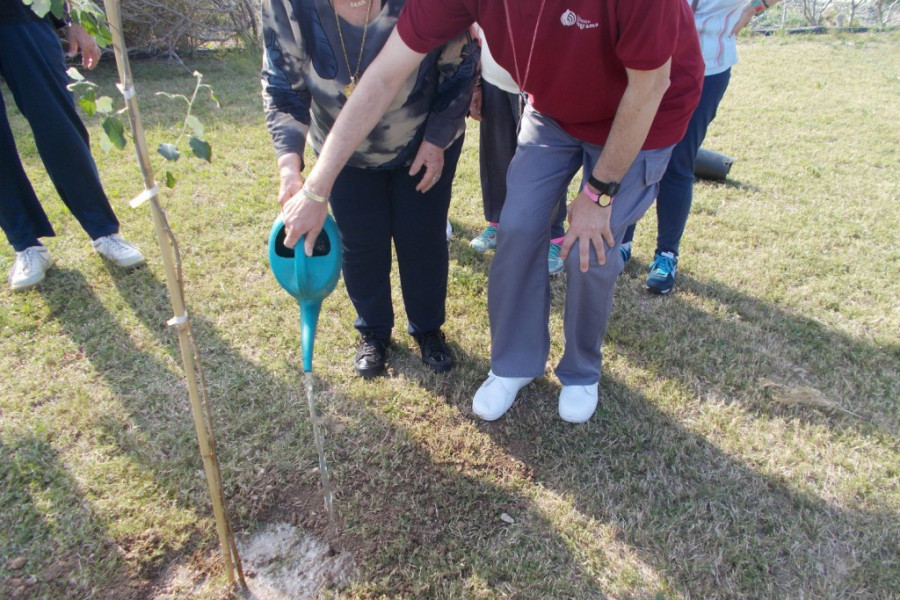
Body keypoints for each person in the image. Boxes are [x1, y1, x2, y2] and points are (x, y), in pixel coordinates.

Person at [282, 0, 703, 422]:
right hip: (556, 111)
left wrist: (598, 195)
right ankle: (515, 364)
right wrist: (316, 190)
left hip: (645, 110)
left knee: (590, 248)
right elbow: (384, 75)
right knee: (516, 226)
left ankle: (581, 371)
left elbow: (649, 86)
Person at [261, 0, 478, 378]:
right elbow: (283, 84)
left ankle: (428, 329)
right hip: (340, 151)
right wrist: (289, 168)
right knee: (360, 242)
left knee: (422, 237)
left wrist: (437, 139)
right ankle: (373, 331)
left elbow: (459, 68)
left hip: (422, 141)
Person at [621, 0, 782, 295]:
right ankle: (622, 241)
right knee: (633, 153)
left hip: (707, 68)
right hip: (646, 59)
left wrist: (755, 7)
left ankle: (666, 255)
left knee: (679, 161)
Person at [1, 3, 145, 291]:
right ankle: (26, 244)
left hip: (22, 14)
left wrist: (74, 19)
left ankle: (103, 232)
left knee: (58, 126)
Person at [467, 25, 569, 276]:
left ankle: (553, 237)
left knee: (544, 163)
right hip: (494, 78)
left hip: (539, 82)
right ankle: (497, 223)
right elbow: (479, 26)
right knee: (496, 155)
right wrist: (477, 82)